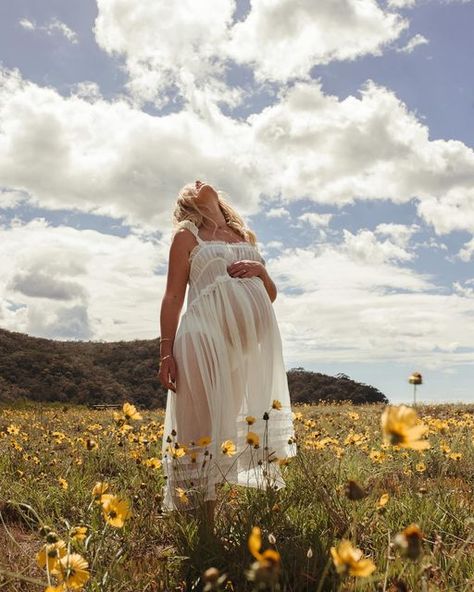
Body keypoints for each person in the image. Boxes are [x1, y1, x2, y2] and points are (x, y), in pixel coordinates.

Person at [158, 179, 297, 528]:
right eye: (191, 183)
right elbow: (173, 297)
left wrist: (262, 272)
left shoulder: (244, 236)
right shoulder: (187, 235)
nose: (200, 180)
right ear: (187, 200)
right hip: (202, 334)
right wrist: (165, 352)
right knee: (199, 428)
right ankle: (201, 528)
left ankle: (207, 518)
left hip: (240, 348)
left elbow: (271, 295)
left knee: (222, 431)